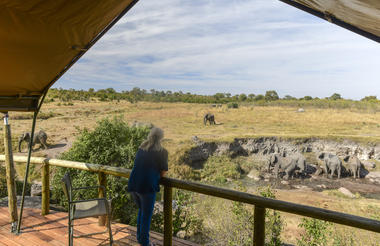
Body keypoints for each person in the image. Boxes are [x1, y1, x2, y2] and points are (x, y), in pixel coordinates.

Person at [128, 127, 168, 246]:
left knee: (142, 211)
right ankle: (145, 243)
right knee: (146, 216)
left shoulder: (142, 148)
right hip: (147, 187)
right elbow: (163, 171)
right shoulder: (162, 151)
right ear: (161, 138)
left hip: (134, 184)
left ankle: (140, 239)